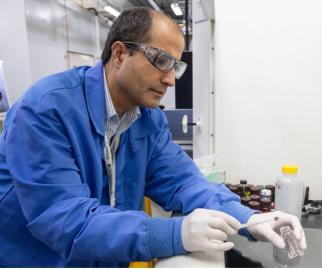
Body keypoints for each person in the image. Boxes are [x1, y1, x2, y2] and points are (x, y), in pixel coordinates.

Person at [0, 7, 306, 267]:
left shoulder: (146, 120)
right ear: (119, 54)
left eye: (176, 66)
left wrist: (250, 219)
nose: (171, 79)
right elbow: (66, 221)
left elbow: (184, 182)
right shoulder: (45, 111)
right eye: (161, 61)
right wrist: (177, 233)